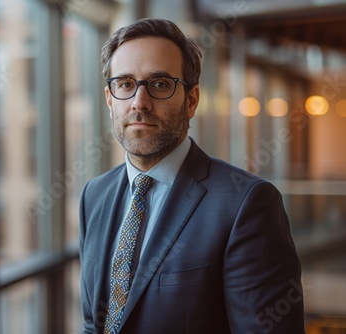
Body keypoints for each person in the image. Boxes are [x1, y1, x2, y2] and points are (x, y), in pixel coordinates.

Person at [78, 18, 305, 334]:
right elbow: (94, 322)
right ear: (109, 99)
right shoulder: (94, 195)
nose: (139, 103)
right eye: (125, 84)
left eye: (159, 84)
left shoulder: (246, 204)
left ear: (192, 100)